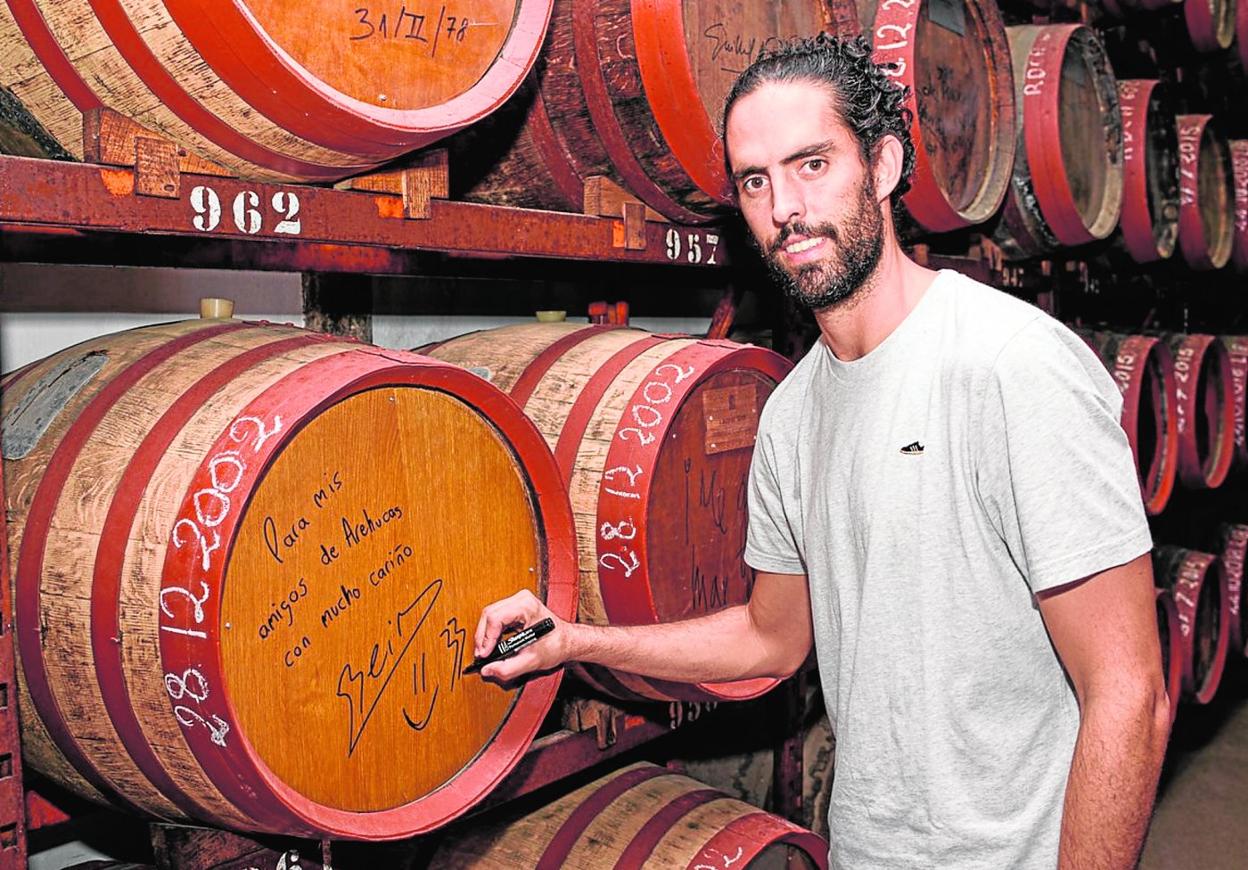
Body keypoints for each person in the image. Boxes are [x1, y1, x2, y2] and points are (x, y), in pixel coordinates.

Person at [473, 34, 1169, 869]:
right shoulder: (795, 411)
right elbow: (770, 639)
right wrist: (576, 641)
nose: (785, 208)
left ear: (880, 166)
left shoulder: (1012, 367)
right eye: (756, 181)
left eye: (812, 165)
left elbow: (1131, 696)